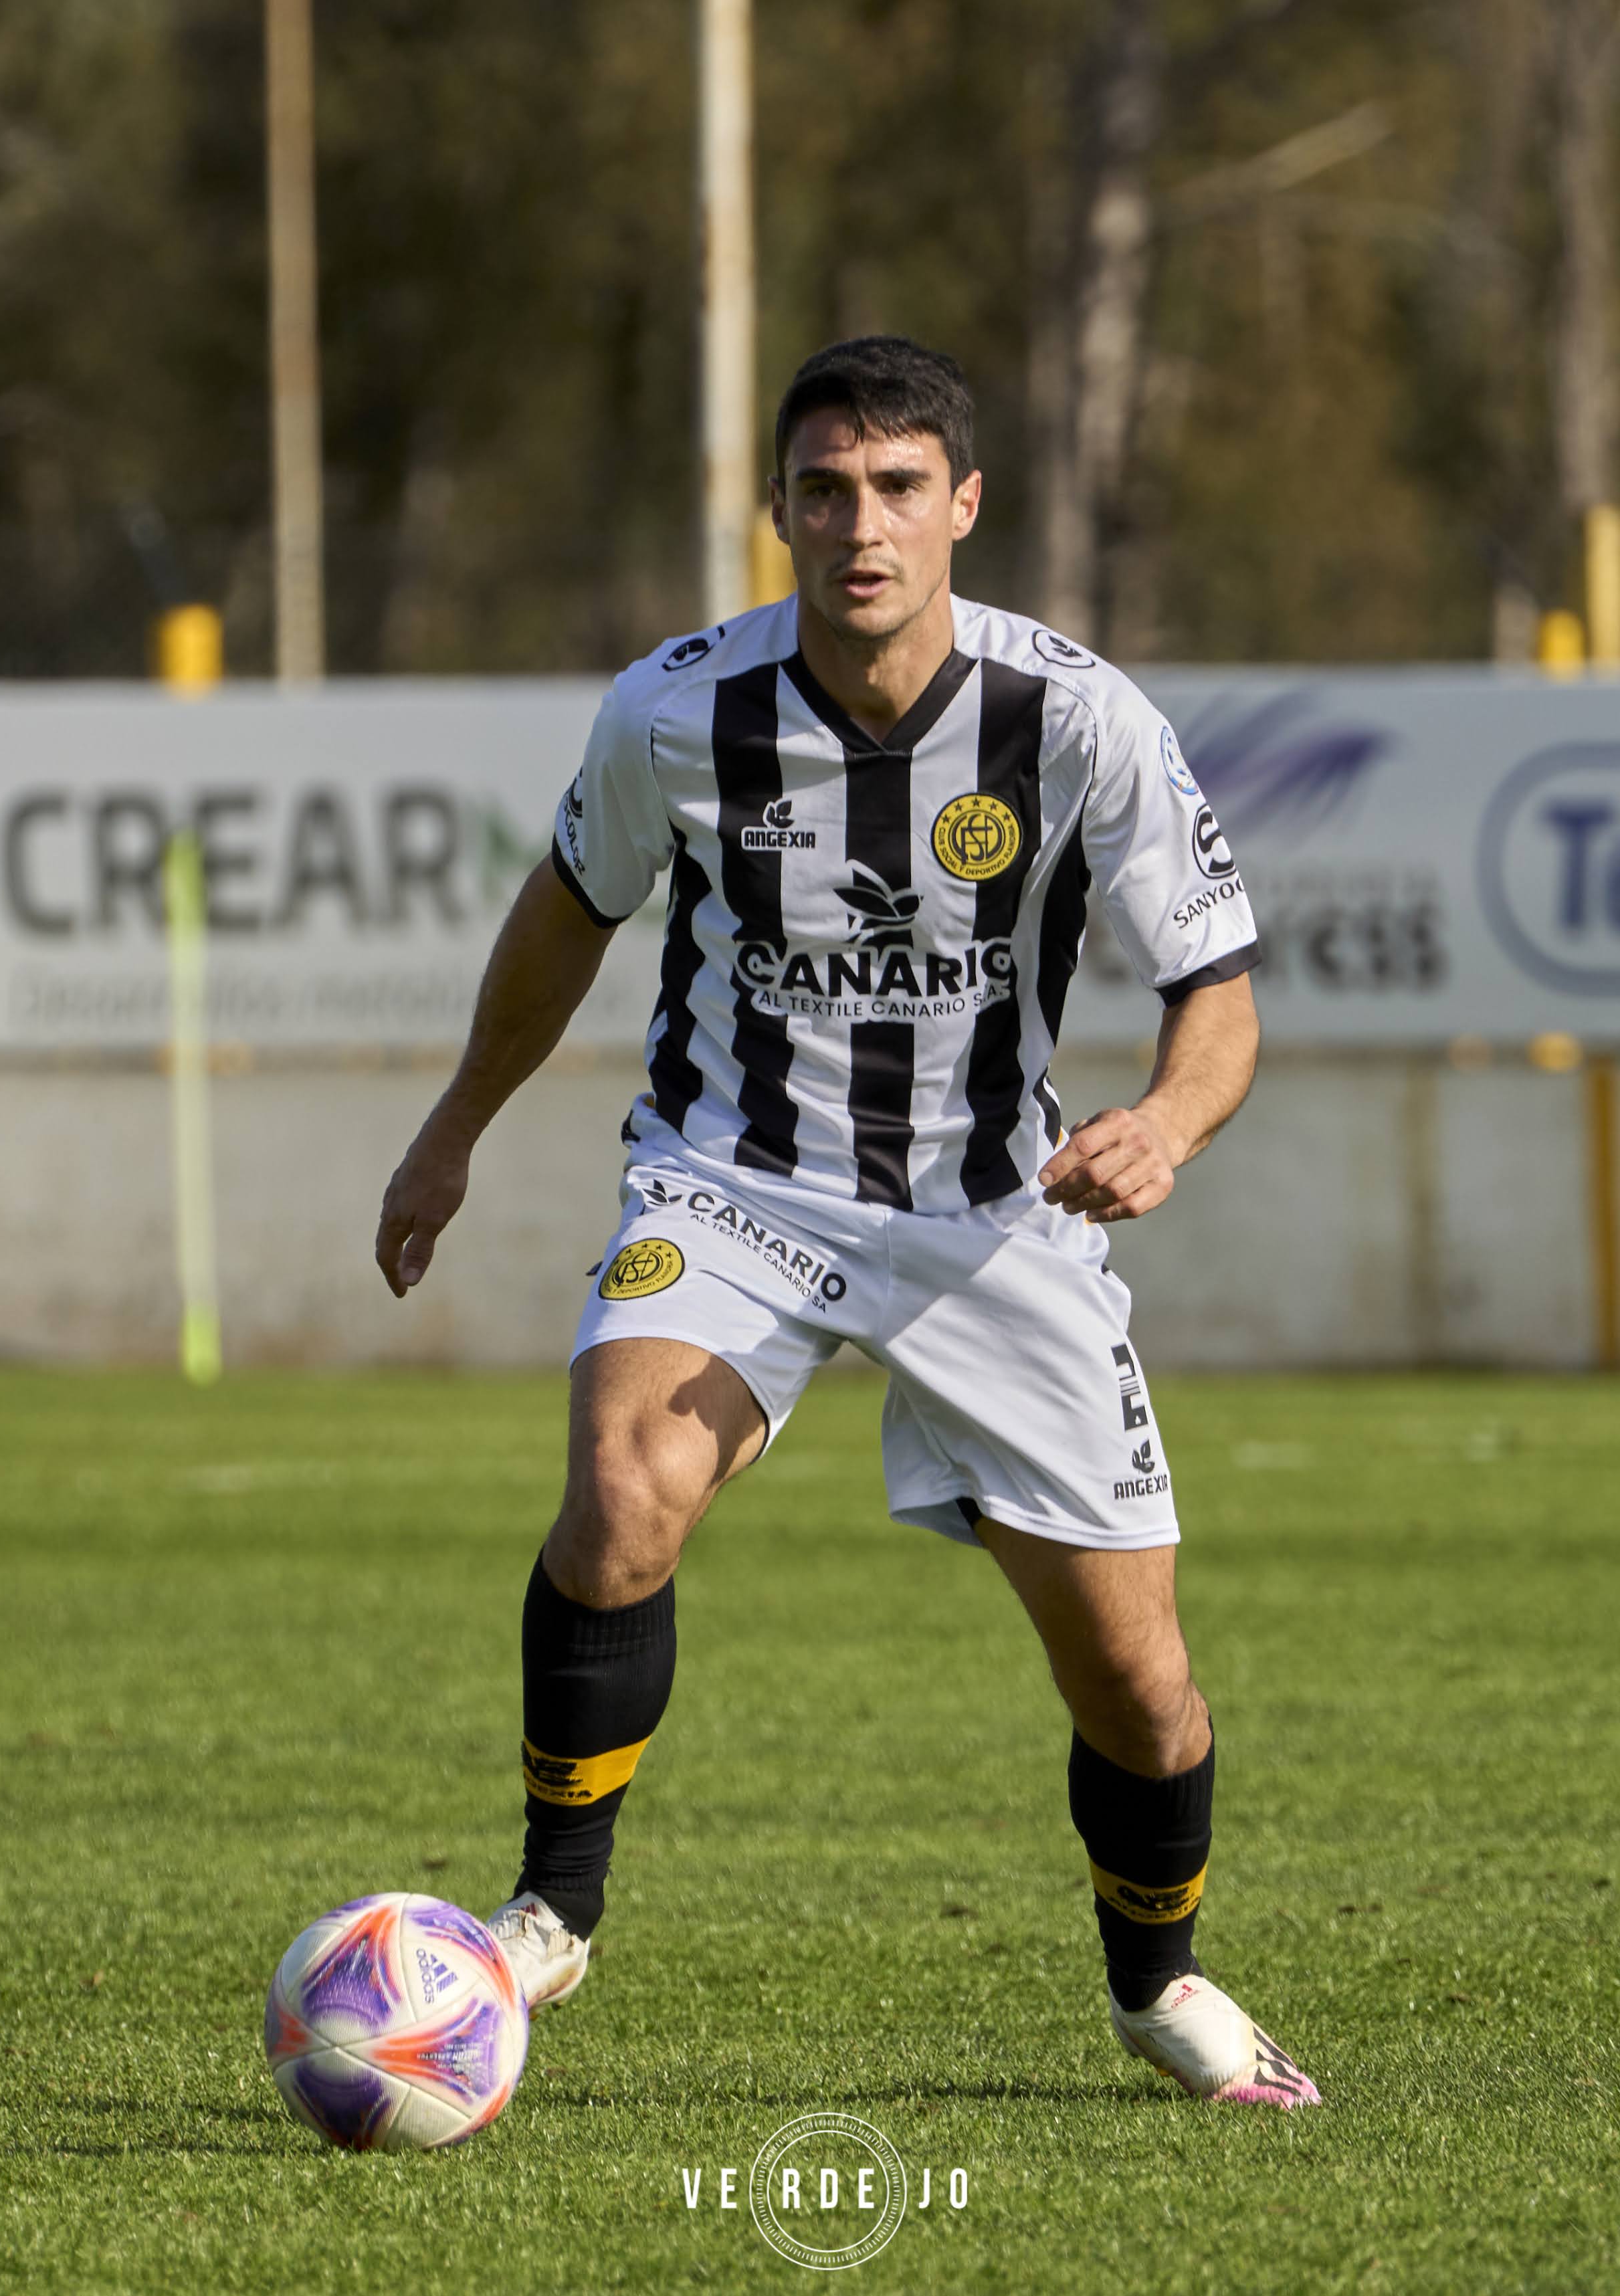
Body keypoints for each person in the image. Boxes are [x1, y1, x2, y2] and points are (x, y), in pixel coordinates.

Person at [373, 336, 1314, 2109]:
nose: (858, 525)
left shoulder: (1078, 714)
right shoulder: (674, 710)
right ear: (780, 511)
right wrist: (452, 1129)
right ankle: (548, 1911)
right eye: (823, 491)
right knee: (620, 1482)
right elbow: (565, 912)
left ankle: (1158, 1979)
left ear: (963, 505)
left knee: (1139, 1684)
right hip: (736, 1179)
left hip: (994, 1215)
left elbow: (1218, 989)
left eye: (895, 489)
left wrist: (1167, 1121)